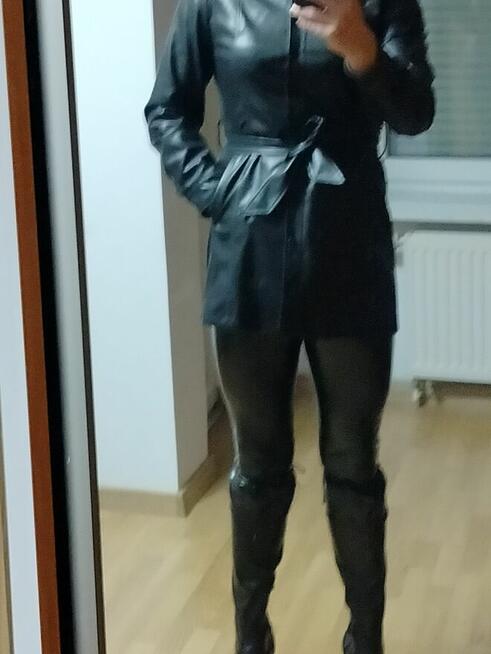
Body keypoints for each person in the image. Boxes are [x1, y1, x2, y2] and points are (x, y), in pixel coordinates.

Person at [145, 0, 435, 651]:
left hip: (349, 240)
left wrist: (360, 47)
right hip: (248, 244)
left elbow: (415, 112)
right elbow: (167, 110)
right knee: (257, 461)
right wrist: (217, 191)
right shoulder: (212, 3)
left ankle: (365, 639)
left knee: (353, 460)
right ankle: (251, 638)